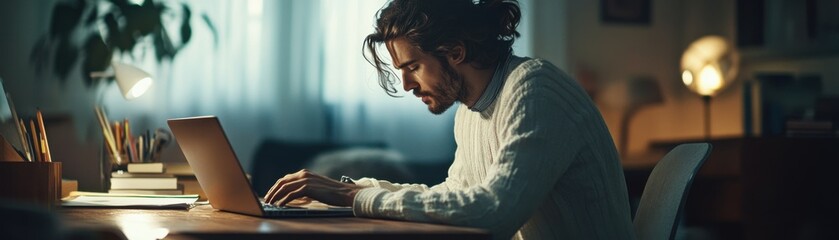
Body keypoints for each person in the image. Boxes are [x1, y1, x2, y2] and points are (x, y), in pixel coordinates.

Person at [264, 0, 635, 239]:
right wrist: (350, 191)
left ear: (455, 51)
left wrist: (355, 196)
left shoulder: (534, 89)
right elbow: (456, 197)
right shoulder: (471, 110)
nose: (407, 84)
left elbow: (494, 212)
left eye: (413, 67)